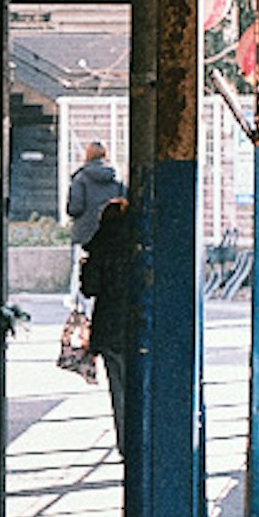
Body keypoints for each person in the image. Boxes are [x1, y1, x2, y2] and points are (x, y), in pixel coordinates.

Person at [76, 178, 140, 451]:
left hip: (110, 328)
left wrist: (86, 268)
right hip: (138, 325)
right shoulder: (139, 245)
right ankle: (143, 439)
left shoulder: (99, 246)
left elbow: (89, 290)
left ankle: (126, 443)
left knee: (120, 389)